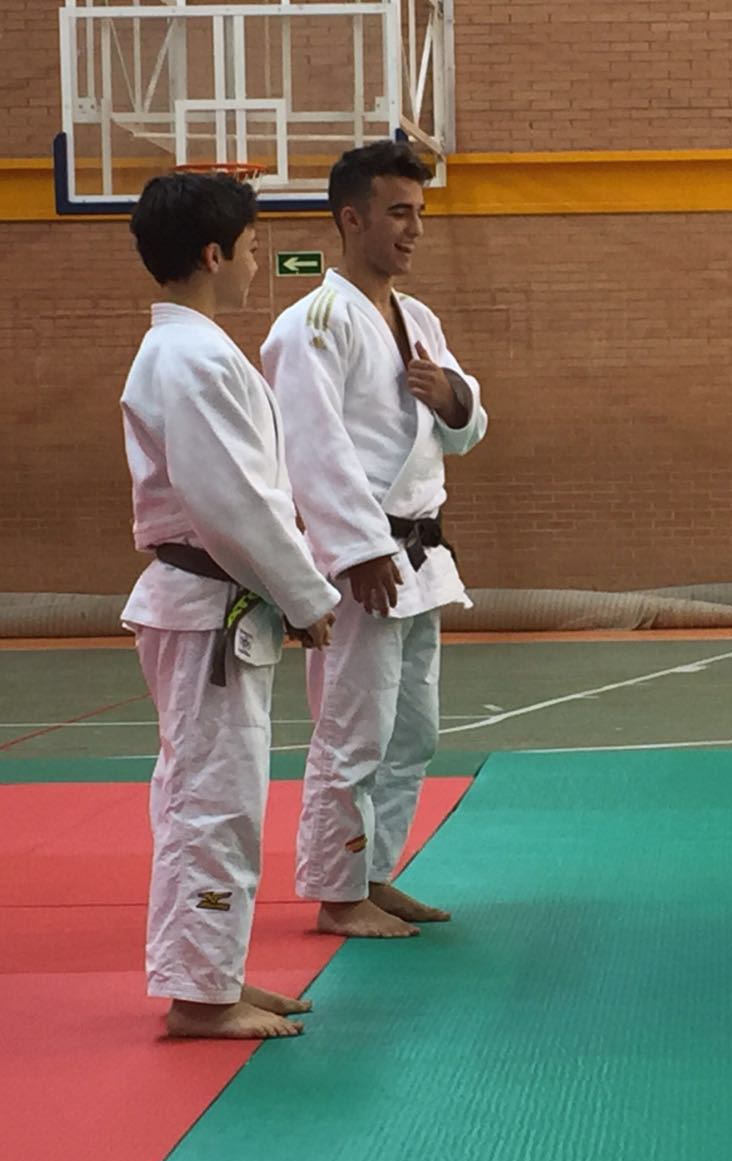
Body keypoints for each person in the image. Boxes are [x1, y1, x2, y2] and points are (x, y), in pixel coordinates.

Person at [119, 172, 340, 1038]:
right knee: (211, 799)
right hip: (210, 604)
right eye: (250, 250)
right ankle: (201, 998)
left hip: (213, 605)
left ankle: (213, 975)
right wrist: (304, 596)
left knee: (214, 795)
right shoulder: (192, 358)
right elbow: (232, 503)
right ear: (214, 254)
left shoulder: (192, 352)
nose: (256, 264)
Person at [263, 140, 487, 939]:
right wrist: (357, 549)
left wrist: (453, 397)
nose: (414, 229)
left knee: (414, 731)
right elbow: (309, 448)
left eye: (419, 213)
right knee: (353, 731)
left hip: (421, 556)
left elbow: (462, 429)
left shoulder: (417, 318)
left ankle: (374, 871)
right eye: (398, 212)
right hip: (365, 561)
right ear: (351, 219)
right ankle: (337, 892)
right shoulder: (314, 324)